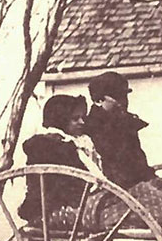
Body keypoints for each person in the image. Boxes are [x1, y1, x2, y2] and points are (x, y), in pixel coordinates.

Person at [18, 94, 103, 223]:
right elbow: (62, 187)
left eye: (82, 118)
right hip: (60, 207)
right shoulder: (53, 146)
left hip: (81, 200)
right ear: (60, 120)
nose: (82, 122)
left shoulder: (77, 143)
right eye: (75, 119)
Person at [85, 71, 154, 189]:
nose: (124, 101)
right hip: (115, 187)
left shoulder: (126, 121)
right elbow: (113, 162)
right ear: (99, 100)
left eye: (125, 96)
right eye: (117, 97)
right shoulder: (95, 126)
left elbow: (138, 158)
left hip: (137, 181)